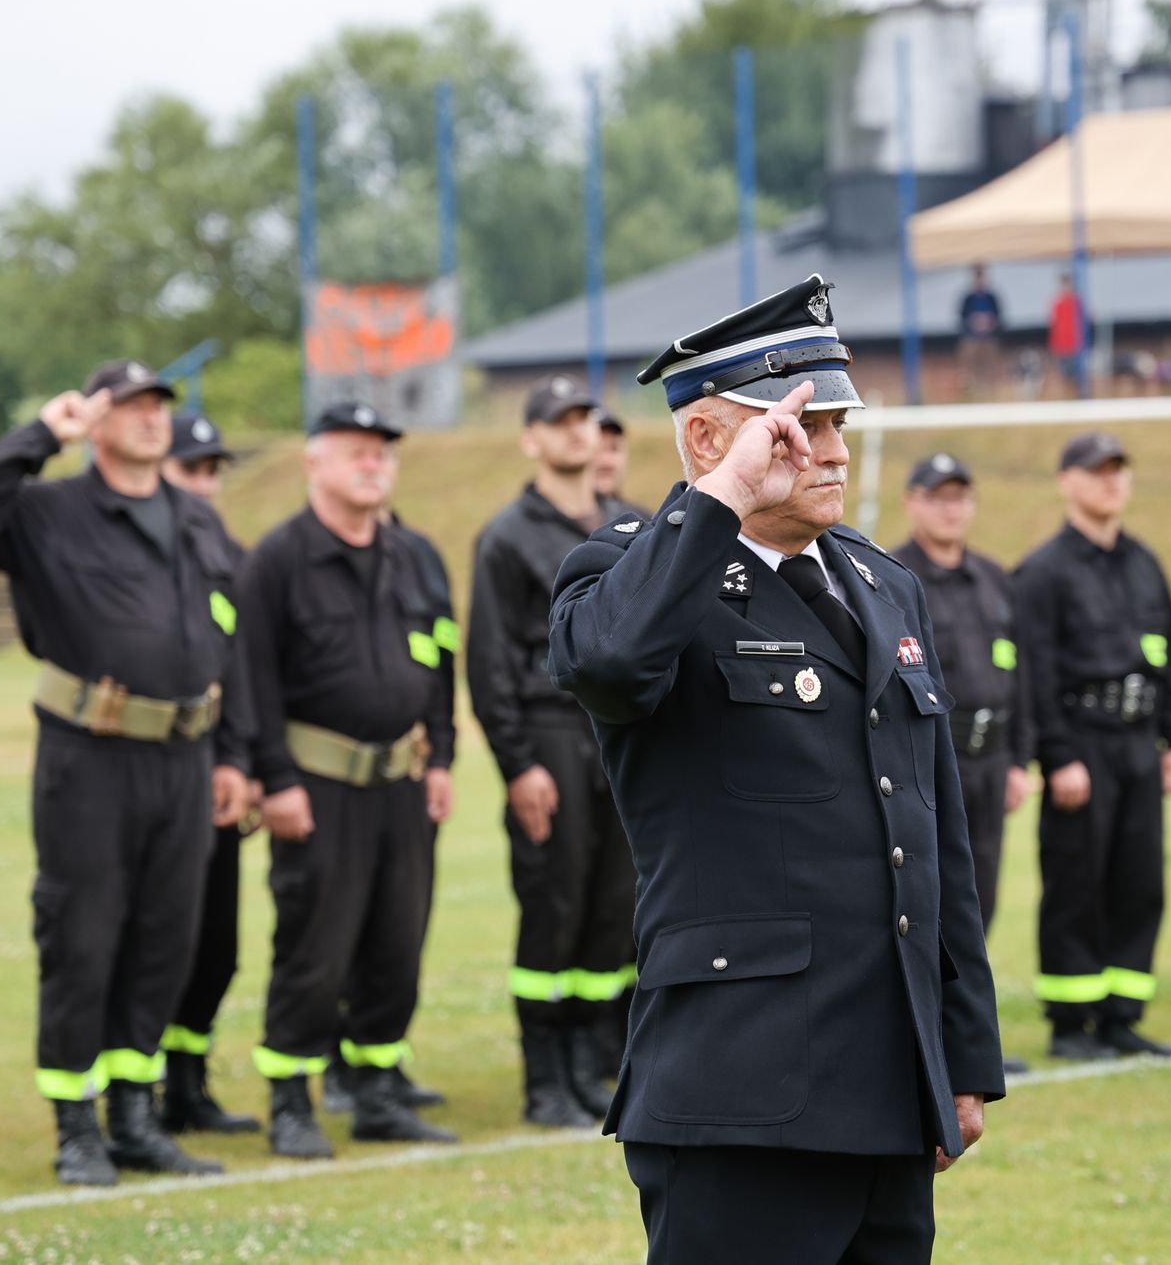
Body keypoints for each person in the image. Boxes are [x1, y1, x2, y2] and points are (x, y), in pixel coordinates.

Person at [548, 273, 1002, 1265]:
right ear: (709, 439)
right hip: (740, 1091)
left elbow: (935, 838)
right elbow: (611, 663)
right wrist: (720, 498)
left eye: (836, 422)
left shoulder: (883, 582)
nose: (832, 450)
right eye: (796, 429)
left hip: (888, 1086)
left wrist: (959, 1056)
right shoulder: (628, 572)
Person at [0, 360, 253, 1186]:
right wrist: (45, 433)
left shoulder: (197, 519)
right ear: (97, 418)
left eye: (160, 406)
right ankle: (77, 1126)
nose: (153, 419)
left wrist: (233, 755)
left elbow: (231, 642)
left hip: (186, 756)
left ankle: (136, 1116)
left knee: (162, 938)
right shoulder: (47, 511)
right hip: (91, 756)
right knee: (82, 936)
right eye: (133, 405)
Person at [242, 403, 459, 1157]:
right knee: (315, 947)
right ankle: (291, 1100)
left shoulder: (411, 557)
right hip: (318, 783)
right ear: (314, 462)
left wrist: (443, 759)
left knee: (396, 943)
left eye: (383, 453)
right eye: (357, 451)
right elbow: (254, 680)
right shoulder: (278, 560)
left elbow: (438, 661)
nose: (374, 464)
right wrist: (274, 778)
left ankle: (376, 1091)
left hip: (401, 781)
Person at [469, 376, 637, 1128]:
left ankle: (586, 1065)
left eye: (588, 421)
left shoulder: (631, 525)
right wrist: (517, 763)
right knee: (553, 904)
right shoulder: (507, 535)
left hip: (622, 740)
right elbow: (490, 661)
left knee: (612, 908)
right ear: (531, 438)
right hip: (548, 736)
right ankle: (544, 1078)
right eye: (562, 422)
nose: (580, 433)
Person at [1014, 430, 1171, 1059]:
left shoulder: (1145, 564)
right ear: (1068, 481)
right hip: (1082, 744)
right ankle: (1071, 1020)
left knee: (1139, 882)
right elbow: (1032, 672)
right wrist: (1057, 755)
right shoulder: (1043, 572)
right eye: (1097, 472)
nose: (1111, 482)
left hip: (1139, 743)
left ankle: (1121, 1016)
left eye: (1120, 471)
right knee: (1077, 881)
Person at [149, 412, 262, 1138]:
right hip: (147, 776)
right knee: (151, 940)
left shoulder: (232, 556)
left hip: (214, 773)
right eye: (191, 468)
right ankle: (136, 1095)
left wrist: (241, 762)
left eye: (213, 469)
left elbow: (244, 673)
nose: (204, 482)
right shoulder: (140, 556)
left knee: (215, 943)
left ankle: (188, 1084)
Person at [891, 456, 1033, 943]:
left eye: (960, 498)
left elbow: (1020, 673)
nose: (952, 511)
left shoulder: (995, 579)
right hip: (929, 761)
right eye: (939, 498)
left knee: (982, 887)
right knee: (927, 889)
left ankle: (966, 1010)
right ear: (912, 503)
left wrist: (1018, 760)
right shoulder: (889, 577)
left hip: (991, 759)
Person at [957, 263, 1004, 394]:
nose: (979, 279)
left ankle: (988, 391)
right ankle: (973, 392)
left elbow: (999, 317)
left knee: (989, 369)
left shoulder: (992, 298)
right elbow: (961, 319)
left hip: (989, 339)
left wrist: (988, 323)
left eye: (981, 275)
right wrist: (974, 323)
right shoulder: (968, 299)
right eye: (977, 276)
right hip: (972, 340)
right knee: (971, 369)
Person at [592, 406, 645, 517]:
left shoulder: (647, 523)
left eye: (614, 449)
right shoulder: (552, 525)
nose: (606, 461)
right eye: (596, 449)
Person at [1047, 274, 1088, 399]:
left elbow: (1083, 322)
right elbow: (1054, 325)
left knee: (1077, 376)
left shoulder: (1077, 303)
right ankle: (1066, 398)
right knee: (1064, 375)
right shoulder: (1057, 303)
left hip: (1075, 345)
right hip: (1061, 346)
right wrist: (1053, 345)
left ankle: (1078, 397)